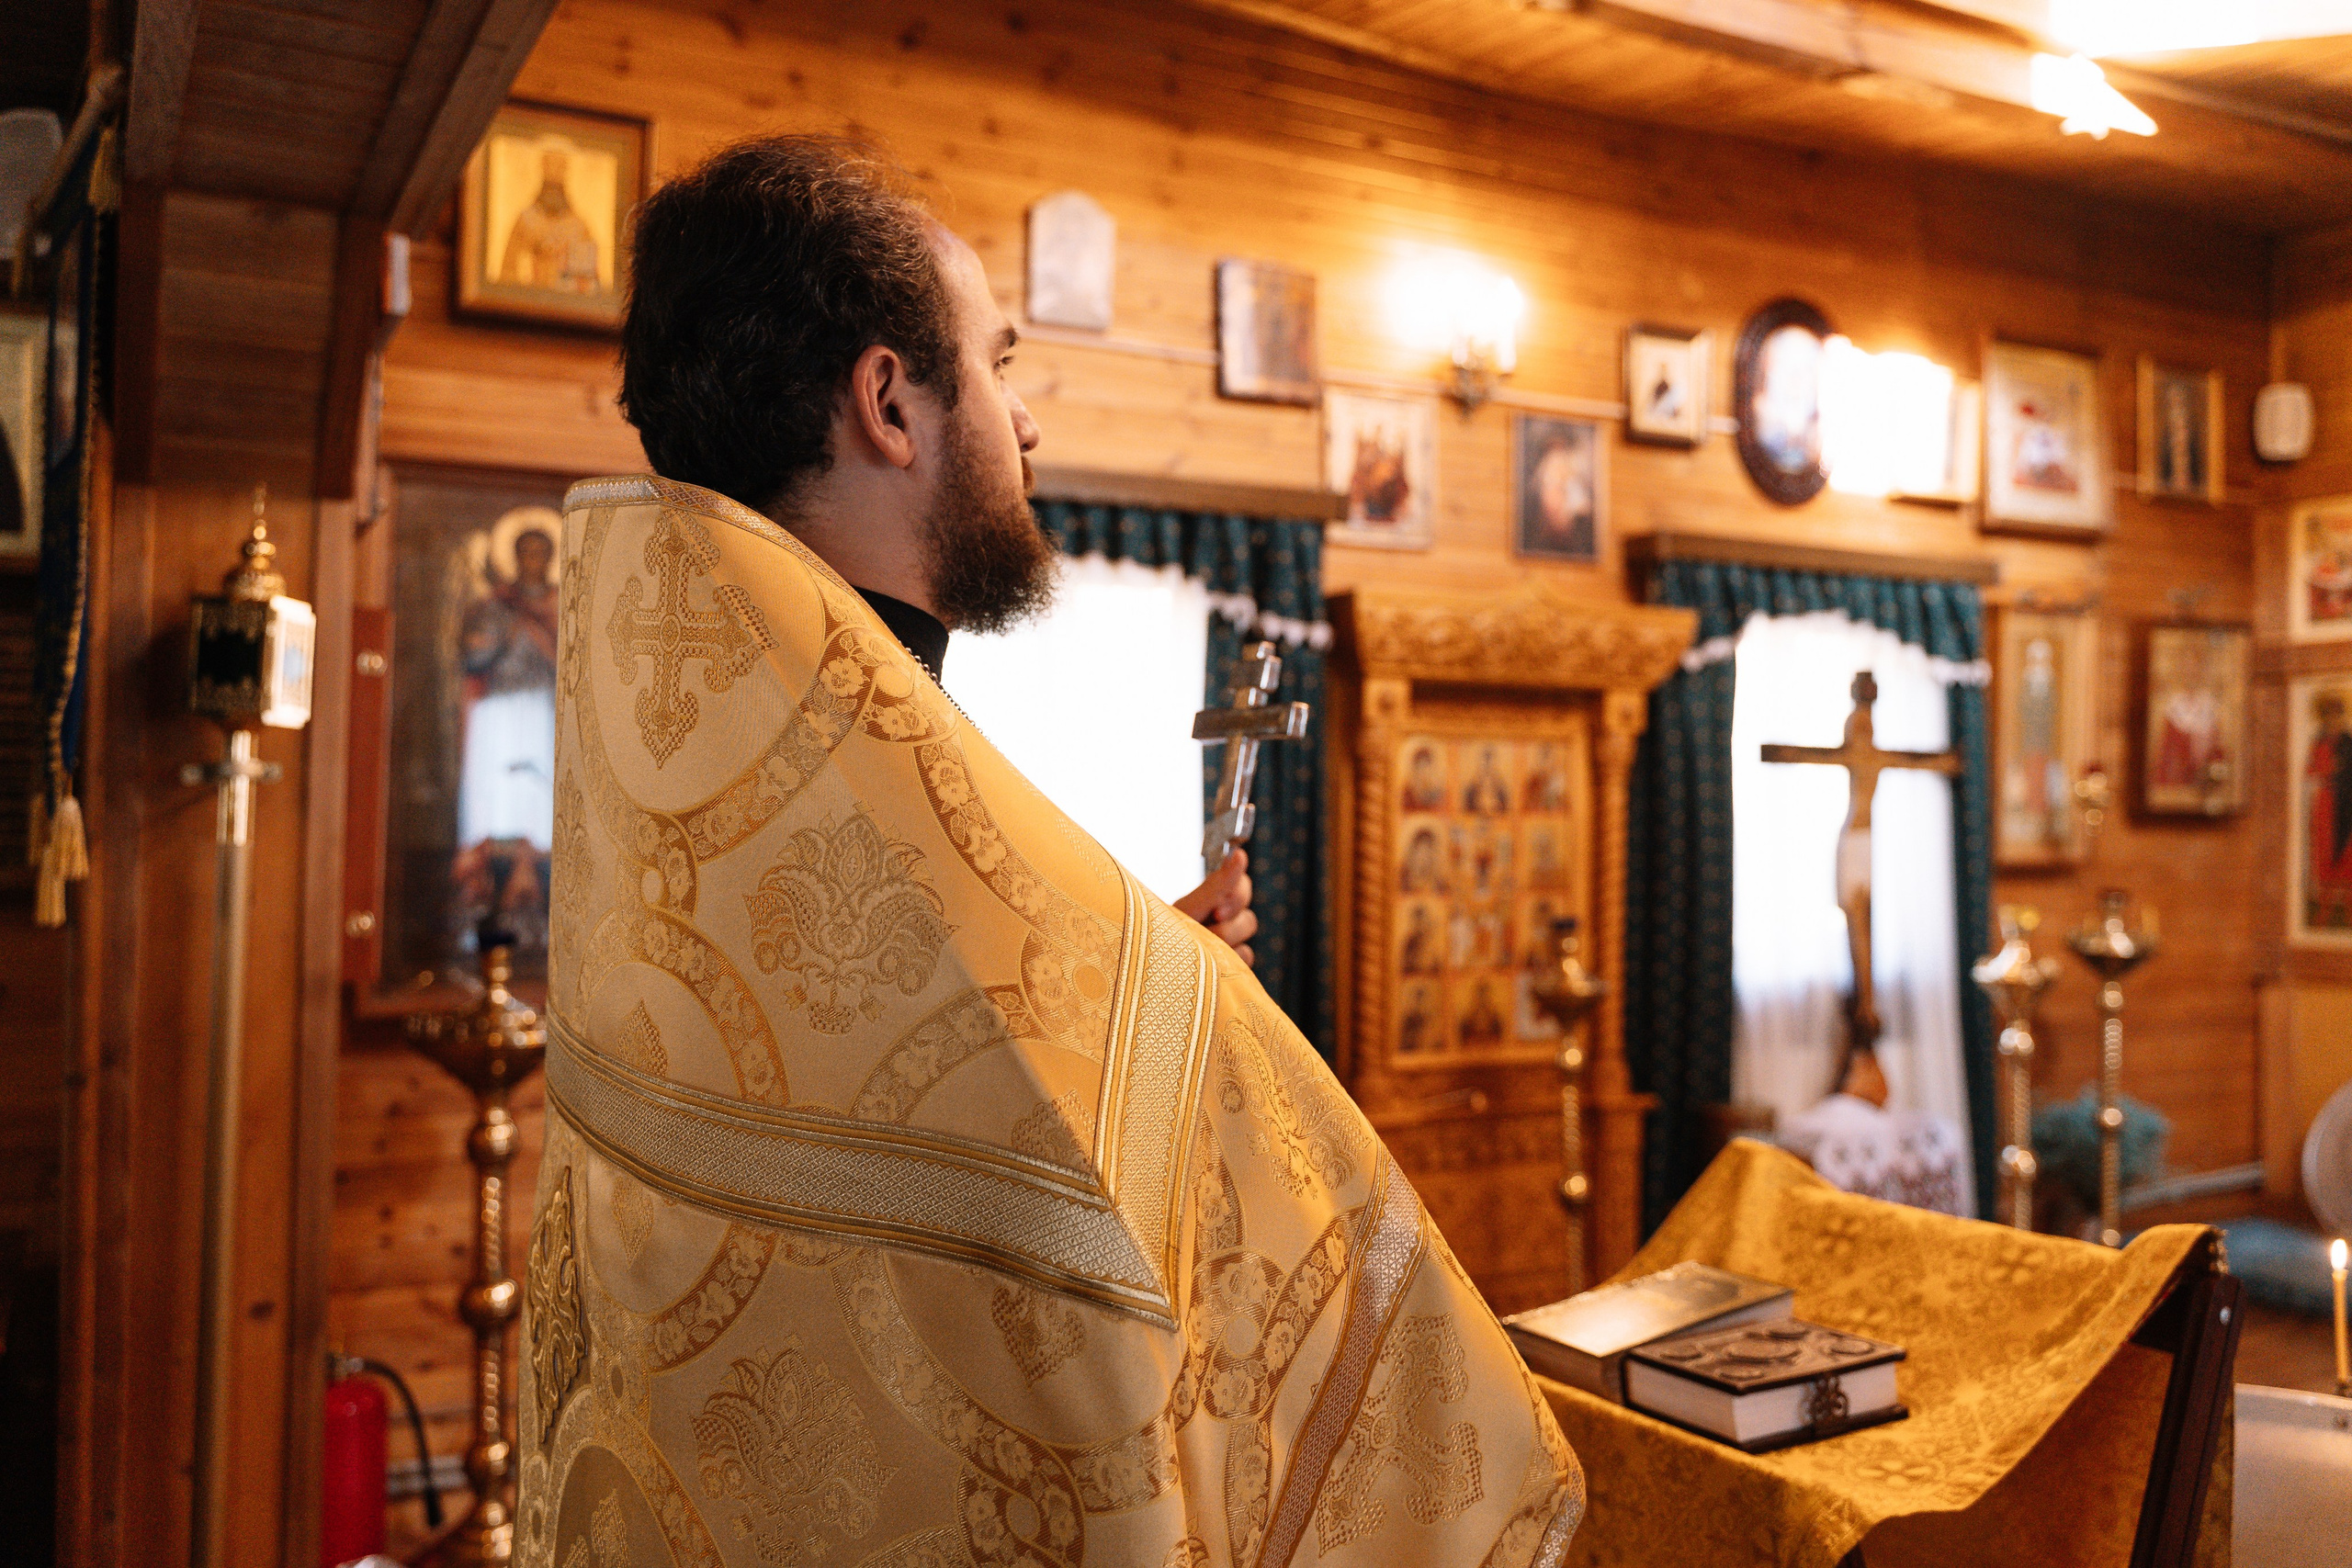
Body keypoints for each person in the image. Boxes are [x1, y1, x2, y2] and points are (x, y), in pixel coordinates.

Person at [518, 134, 1581, 1567]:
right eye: (1002, 366)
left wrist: (1126, 981)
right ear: (889, 402)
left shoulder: (684, 776)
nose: (1028, 430)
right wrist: (1172, 1016)